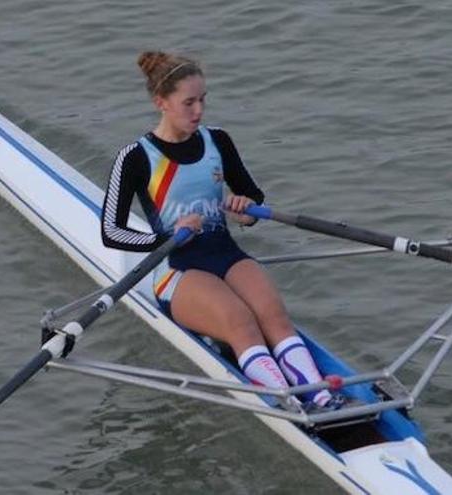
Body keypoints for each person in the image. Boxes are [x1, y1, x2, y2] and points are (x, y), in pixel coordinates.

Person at [101, 51, 339, 410]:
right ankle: (289, 405)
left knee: (273, 315)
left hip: (226, 254)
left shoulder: (218, 141)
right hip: (177, 268)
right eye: (188, 102)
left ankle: (322, 396)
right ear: (161, 103)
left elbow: (252, 197)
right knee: (242, 322)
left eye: (202, 100)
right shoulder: (135, 157)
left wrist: (245, 211)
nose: (198, 111)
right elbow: (111, 232)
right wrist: (166, 236)